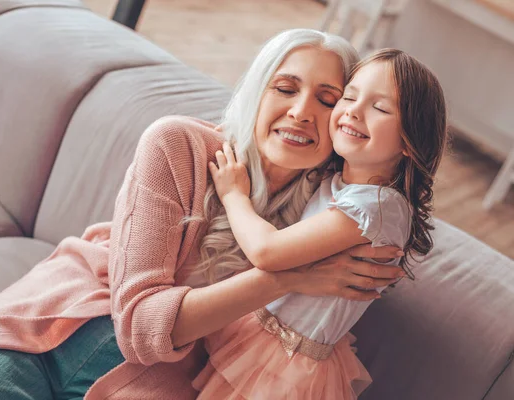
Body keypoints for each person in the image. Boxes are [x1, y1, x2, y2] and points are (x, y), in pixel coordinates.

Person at [0, 30, 406, 400]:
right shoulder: (180, 144)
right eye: (284, 88)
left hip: (154, 384)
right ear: (259, 90)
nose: (301, 112)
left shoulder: (333, 212)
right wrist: (287, 278)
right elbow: (139, 326)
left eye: (326, 99)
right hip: (47, 338)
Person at [192, 48, 447, 399]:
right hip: (261, 336)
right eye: (349, 96)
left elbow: (267, 252)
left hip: (287, 367)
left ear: (409, 142)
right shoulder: (338, 178)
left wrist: (234, 195)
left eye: (380, 108)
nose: (354, 111)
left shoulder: (377, 207)